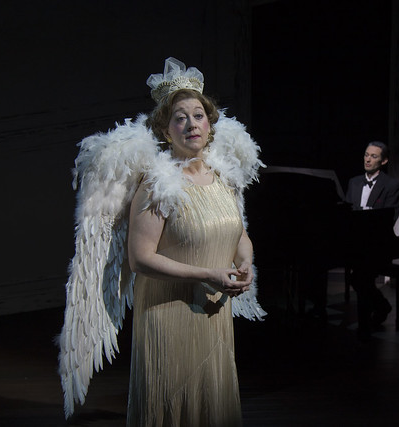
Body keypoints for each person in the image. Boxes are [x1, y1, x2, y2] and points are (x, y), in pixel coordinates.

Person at [56, 57, 266, 426]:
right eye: (179, 118)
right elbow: (139, 259)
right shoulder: (155, 185)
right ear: (166, 131)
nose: (191, 124)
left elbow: (240, 234)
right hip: (169, 311)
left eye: (198, 115)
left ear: (210, 124)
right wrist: (207, 273)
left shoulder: (223, 178)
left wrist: (246, 263)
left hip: (213, 311)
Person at [345, 141, 399, 340]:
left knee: (360, 275)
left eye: (374, 156)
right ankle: (382, 306)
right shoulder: (353, 182)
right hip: (355, 241)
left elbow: (389, 219)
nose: (368, 159)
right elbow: (346, 213)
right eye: (366, 155)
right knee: (358, 275)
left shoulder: (393, 186)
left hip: (379, 243)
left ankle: (364, 327)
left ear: (384, 161)